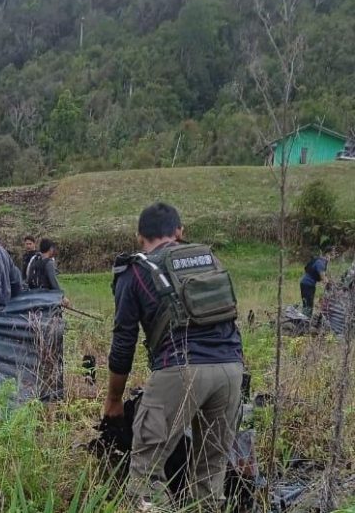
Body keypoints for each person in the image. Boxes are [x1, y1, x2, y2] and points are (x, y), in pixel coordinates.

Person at [103, 202, 243, 509]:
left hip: (179, 370)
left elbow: (124, 342)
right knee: (210, 474)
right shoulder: (210, 261)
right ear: (179, 232)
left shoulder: (136, 270)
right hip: (231, 370)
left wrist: (113, 400)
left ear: (140, 236)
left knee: (145, 474)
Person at [26, 238, 70, 306]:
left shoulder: (34, 260)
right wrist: (62, 297)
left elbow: (28, 277)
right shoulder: (49, 263)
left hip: (34, 297)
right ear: (50, 249)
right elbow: (53, 282)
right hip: (47, 299)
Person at [299, 249, 332, 317]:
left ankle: (304, 321)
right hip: (307, 285)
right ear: (327, 255)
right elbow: (323, 277)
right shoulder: (320, 263)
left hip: (306, 284)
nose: (330, 258)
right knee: (308, 305)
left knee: (307, 304)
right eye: (331, 255)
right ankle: (304, 323)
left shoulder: (319, 260)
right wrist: (329, 284)